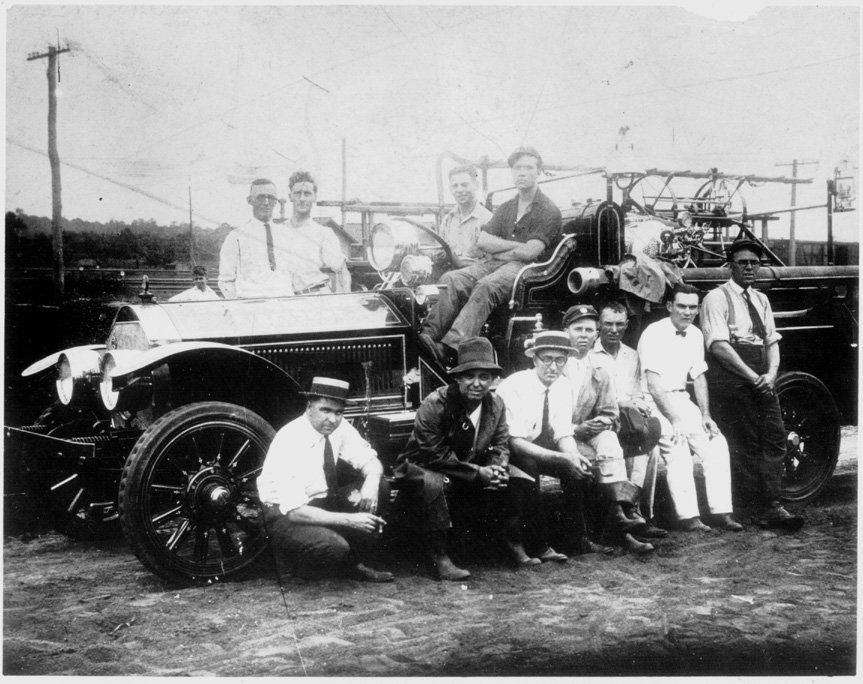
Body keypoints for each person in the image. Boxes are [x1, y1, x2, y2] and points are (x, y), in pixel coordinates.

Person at [393, 337, 537, 580]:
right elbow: (434, 454)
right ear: (458, 378)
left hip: (469, 465)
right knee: (435, 484)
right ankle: (440, 556)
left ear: (493, 380)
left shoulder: (496, 404)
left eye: (484, 377)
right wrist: (478, 472)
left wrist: (497, 468)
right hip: (422, 465)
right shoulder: (435, 404)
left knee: (518, 478)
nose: (477, 384)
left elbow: (501, 444)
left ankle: (513, 544)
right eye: (470, 376)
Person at [496, 330, 645, 559]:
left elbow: (563, 434)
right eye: (547, 359)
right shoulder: (515, 385)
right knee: (530, 467)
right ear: (534, 359)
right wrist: (562, 458)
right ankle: (539, 546)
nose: (553, 367)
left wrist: (573, 457)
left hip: (543, 445)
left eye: (560, 360)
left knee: (581, 468)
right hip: (512, 449)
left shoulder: (562, 385)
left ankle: (579, 540)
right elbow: (515, 442)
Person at [419, 147, 562, 367]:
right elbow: (483, 241)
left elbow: (530, 253)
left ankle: (451, 348)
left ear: (539, 172)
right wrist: (514, 248)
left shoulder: (548, 210)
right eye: (517, 168)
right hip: (496, 262)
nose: (521, 173)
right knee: (451, 279)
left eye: (528, 168)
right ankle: (427, 337)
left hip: (527, 270)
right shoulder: (507, 207)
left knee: (486, 286)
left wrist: (503, 249)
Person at [700, 238, 804, 530]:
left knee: (773, 436)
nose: (749, 267)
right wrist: (751, 376)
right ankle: (752, 507)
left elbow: (772, 341)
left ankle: (771, 504)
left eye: (754, 263)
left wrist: (770, 374)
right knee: (744, 440)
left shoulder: (761, 299)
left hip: (761, 375)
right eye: (742, 262)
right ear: (730, 265)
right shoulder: (716, 298)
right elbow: (719, 345)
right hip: (732, 375)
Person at [257, 377, 393, 582]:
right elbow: (296, 512)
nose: (333, 419)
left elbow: (370, 461)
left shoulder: (339, 427)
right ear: (309, 407)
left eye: (339, 412)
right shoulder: (290, 440)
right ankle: (293, 561)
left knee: (381, 486)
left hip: (321, 501)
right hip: (283, 515)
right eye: (326, 410)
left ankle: (353, 561)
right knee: (334, 547)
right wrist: (351, 520)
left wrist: (372, 482)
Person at [637, 284, 742, 532]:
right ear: (670, 306)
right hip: (653, 403)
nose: (687, 312)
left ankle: (721, 512)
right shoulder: (653, 333)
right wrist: (674, 420)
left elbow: (699, 378)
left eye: (692, 307)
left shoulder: (695, 334)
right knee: (678, 445)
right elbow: (653, 385)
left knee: (716, 441)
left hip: (683, 400)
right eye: (682, 306)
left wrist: (705, 415)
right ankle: (689, 517)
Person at [561, 305, 658, 553]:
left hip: (584, 432)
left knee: (610, 441)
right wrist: (576, 428)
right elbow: (546, 415)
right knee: (584, 461)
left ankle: (618, 515)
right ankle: (615, 525)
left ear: (595, 335)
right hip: (557, 436)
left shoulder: (599, 370)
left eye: (589, 330)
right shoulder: (556, 363)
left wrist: (600, 423)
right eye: (578, 329)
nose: (583, 335)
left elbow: (609, 411)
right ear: (566, 331)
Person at [590, 301, 667, 539]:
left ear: (626, 325)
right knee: (630, 447)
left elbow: (636, 393)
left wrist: (638, 403)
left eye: (619, 324)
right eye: (608, 324)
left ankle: (643, 513)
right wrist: (623, 403)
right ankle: (628, 512)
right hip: (599, 420)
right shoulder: (589, 356)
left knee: (649, 449)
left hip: (626, 421)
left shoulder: (631, 355)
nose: (614, 330)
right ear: (599, 326)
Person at [218, 178, 296, 299]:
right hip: (251, 308)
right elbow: (225, 280)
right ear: (250, 200)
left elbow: (296, 275)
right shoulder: (236, 237)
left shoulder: (288, 235)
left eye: (271, 197)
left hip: (285, 307)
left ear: (276, 201)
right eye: (260, 197)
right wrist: (240, 306)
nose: (266, 202)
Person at [283, 170, 351, 294]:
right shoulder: (279, 232)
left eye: (307, 193)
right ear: (290, 196)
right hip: (287, 299)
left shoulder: (324, 233)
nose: (302, 198)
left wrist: (348, 299)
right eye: (297, 193)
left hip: (316, 297)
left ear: (315, 197)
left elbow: (341, 269)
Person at [438, 165, 493, 269]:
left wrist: (459, 261)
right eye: (455, 186)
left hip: (474, 278)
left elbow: (492, 265)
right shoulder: (447, 220)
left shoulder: (487, 220)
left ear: (476, 185)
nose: (459, 190)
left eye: (464, 185)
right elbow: (440, 251)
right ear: (450, 189)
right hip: (449, 273)